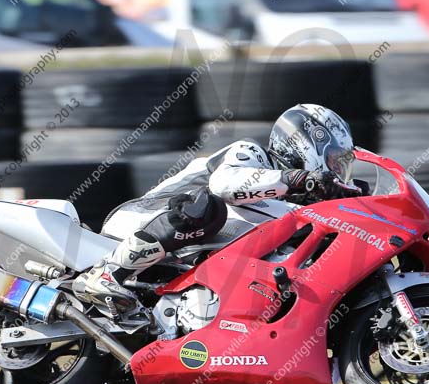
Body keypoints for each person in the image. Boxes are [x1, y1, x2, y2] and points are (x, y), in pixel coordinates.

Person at [73, 103, 357, 311]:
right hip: (141, 219)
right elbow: (223, 185)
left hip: (174, 259)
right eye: (333, 161)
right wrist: (299, 178)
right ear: (305, 144)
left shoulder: (288, 201)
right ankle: (108, 273)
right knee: (210, 208)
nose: (334, 170)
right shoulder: (251, 154)